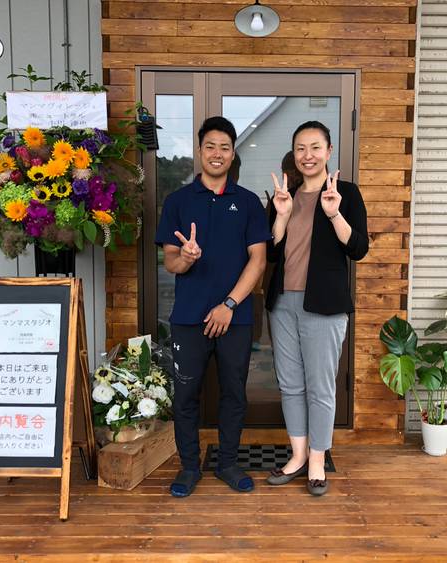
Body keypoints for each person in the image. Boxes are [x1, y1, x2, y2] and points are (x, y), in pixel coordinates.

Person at [155, 116, 270, 497]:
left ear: (233, 154)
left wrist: (229, 304)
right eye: (210, 146)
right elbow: (171, 263)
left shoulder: (248, 202)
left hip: (235, 318)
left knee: (234, 393)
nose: (217, 153)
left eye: (224, 147)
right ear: (199, 151)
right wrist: (186, 258)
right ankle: (189, 467)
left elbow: (258, 260)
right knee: (186, 395)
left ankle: (228, 463)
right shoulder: (178, 202)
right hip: (189, 317)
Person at [265, 121, 369, 496]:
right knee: (290, 384)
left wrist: (334, 213)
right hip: (283, 304)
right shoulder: (285, 196)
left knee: (320, 386)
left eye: (315, 147)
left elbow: (358, 248)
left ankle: (317, 460)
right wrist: (281, 214)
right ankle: (297, 455)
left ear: (328, 151)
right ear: (294, 154)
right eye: (300, 148)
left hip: (323, 305)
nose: (307, 155)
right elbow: (271, 252)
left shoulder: (346, 193)